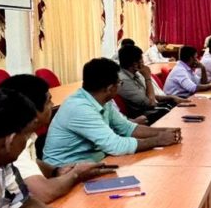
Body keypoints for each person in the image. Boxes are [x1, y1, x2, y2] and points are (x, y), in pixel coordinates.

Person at [44, 58, 181, 166]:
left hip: (92, 164)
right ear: (109, 88)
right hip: (66, 171)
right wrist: (158, 140)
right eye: (119, 83)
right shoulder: (80, 108)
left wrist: (166, 131)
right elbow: (115, 146)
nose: (120, 86)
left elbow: (128, 128)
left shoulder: (102, 100)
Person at [0, 75, 115, 203]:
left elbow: (31, 161)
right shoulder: (11, 146)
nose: (52, 105)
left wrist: (56, 171)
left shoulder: (26, 135)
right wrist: (76, 174)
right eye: (48, 101)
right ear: (32, 112)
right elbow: (45, 193)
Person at [117, 45, 187, 123]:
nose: (143, 63)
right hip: (141, 117)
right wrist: (147, 78)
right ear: (135, 64)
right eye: (141, 60)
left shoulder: (135, 73)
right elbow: (151, 103)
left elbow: (148, 96)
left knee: (174, 103)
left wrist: (171, 97)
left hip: (149, 109)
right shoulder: (124, 80)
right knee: (171, 111)